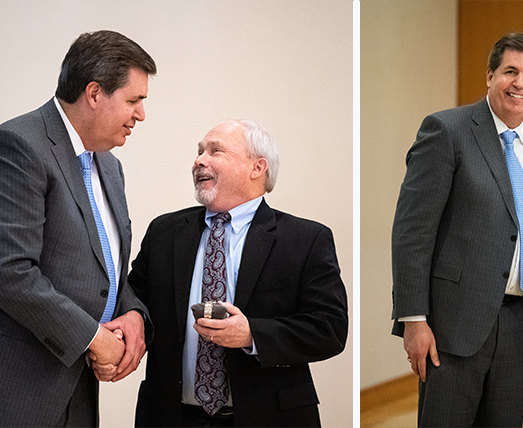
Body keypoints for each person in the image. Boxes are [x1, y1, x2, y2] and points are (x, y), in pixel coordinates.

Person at [391, 32, 523, 426]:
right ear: (490, 75)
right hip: (453, 326)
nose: (519, 83)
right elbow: (412, 231)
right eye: (510, 71)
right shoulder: (447, 131)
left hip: (521, 325)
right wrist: (413, 320)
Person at [128, 120, 348, 427]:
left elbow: (329, 330)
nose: (199, 160)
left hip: (270, 418)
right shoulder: (164, 232)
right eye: (199, 151)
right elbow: (132, 303)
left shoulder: (305, 239)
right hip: (171, 417)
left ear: (257, 168)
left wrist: (251, 335)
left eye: (215, 151)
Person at [0, 30, 156, 426]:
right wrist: (94, 338)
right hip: (21, 390)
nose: (141, 114)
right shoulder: (20, 145)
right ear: (94, 93)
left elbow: (106, 269)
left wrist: (133, 314)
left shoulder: (109, 165)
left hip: (81, 391)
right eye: (134, 100)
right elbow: (10, 270)